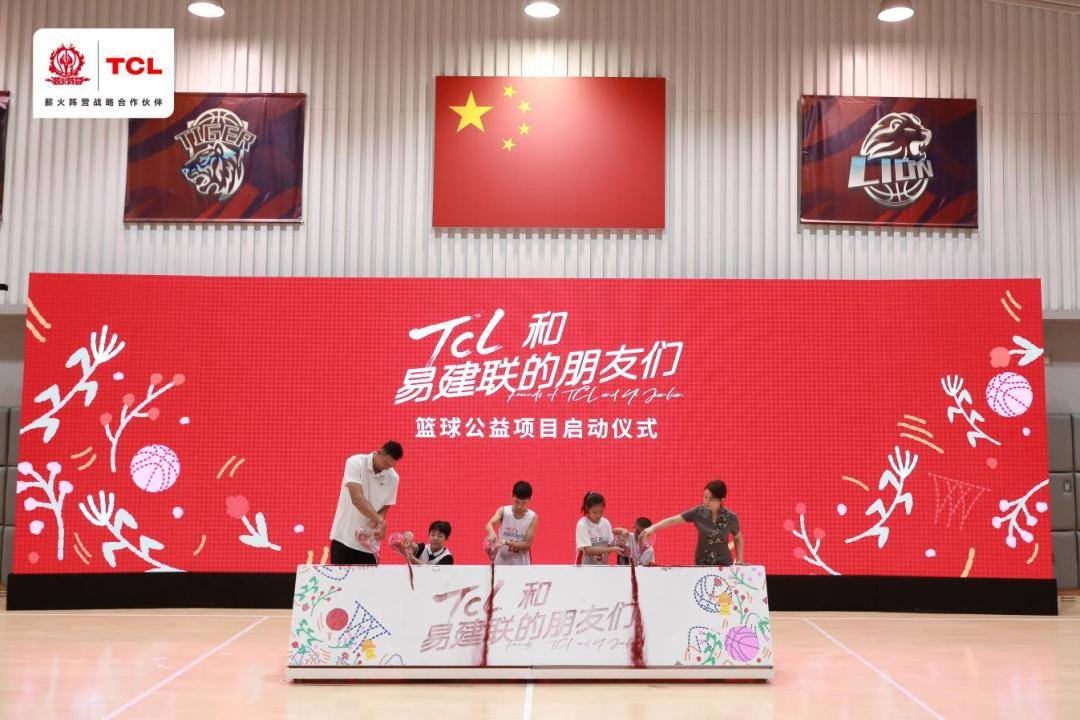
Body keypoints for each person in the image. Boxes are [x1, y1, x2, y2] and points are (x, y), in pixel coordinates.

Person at [328, 441, 403, 565]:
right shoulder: (355, 462)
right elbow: (356, 498)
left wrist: (370, 527)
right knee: (340, 578)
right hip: (343, 539)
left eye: (390, 466)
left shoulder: (393, 477)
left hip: (369, 546)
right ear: (379, 452)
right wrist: (380, 521)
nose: (386, 468)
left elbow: (384, 509)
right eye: (385, 463)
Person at [641, 480, 743, 566]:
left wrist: (739, 560)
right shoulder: (698, 512)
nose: (706, 501)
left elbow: (738, 538)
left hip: (724, 565)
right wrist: (653, 527)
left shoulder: (731, 517)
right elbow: (673, 520)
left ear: (721, 500)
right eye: (705, 497)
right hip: (702, 564)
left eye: (711, 499)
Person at [485, 481, 538, 565]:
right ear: (512, 496)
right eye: (517, 502)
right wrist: (491, 532)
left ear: (529, 499)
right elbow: (489, 524)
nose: (519, 506)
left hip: (521, 565)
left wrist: (505, 542)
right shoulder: (503, 511)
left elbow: (526, 545)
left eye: (523, 503)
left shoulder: (532, 517)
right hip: (501, 563)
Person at [575, 491, 626, 565]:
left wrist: (619, 538)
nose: (598, 515)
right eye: (595, 512)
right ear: (587, 508)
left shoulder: (606, 522)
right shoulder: (582, 524)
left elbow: (610, 545)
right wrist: (611, 549)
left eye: (601, 512)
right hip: (585, 568)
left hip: (602, 567)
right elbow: (587, 550)